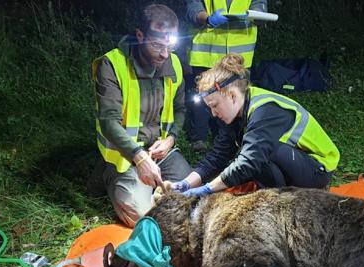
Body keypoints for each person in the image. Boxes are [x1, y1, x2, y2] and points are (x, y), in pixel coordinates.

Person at [171, 54, 340, 196]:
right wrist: (186, 184)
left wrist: (208, 189)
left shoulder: (265, 110)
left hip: (317, 169)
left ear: (231, 95)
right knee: (251, 157)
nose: (213, 114)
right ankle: (276, 197)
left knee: (258, 155)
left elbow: (249, 161)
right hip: (292, 162)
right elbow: (218, 155)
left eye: (214, 106)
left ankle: (282, 203)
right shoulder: (234, 113)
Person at [91, 4, 192, 227]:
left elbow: (180, 110)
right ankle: (110, 177)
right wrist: (139, 157)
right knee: (145, 217)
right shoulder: (112, 65)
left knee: (194, 196)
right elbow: (108, 122)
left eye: (170, 46)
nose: (165, 53)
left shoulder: (173, 62)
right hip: (125, 158)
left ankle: (154, 186)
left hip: (161, 152)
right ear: (140, 35)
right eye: (157, 45)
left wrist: (171, 138)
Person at [186, 0, 268, 152]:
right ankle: (199, 138)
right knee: (202, 98)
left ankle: (232, 138)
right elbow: (192, 8)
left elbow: (260, 4)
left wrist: (258, 14)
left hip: (239, 55)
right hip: (207, 53)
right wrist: (207, 19)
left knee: (235, 98)